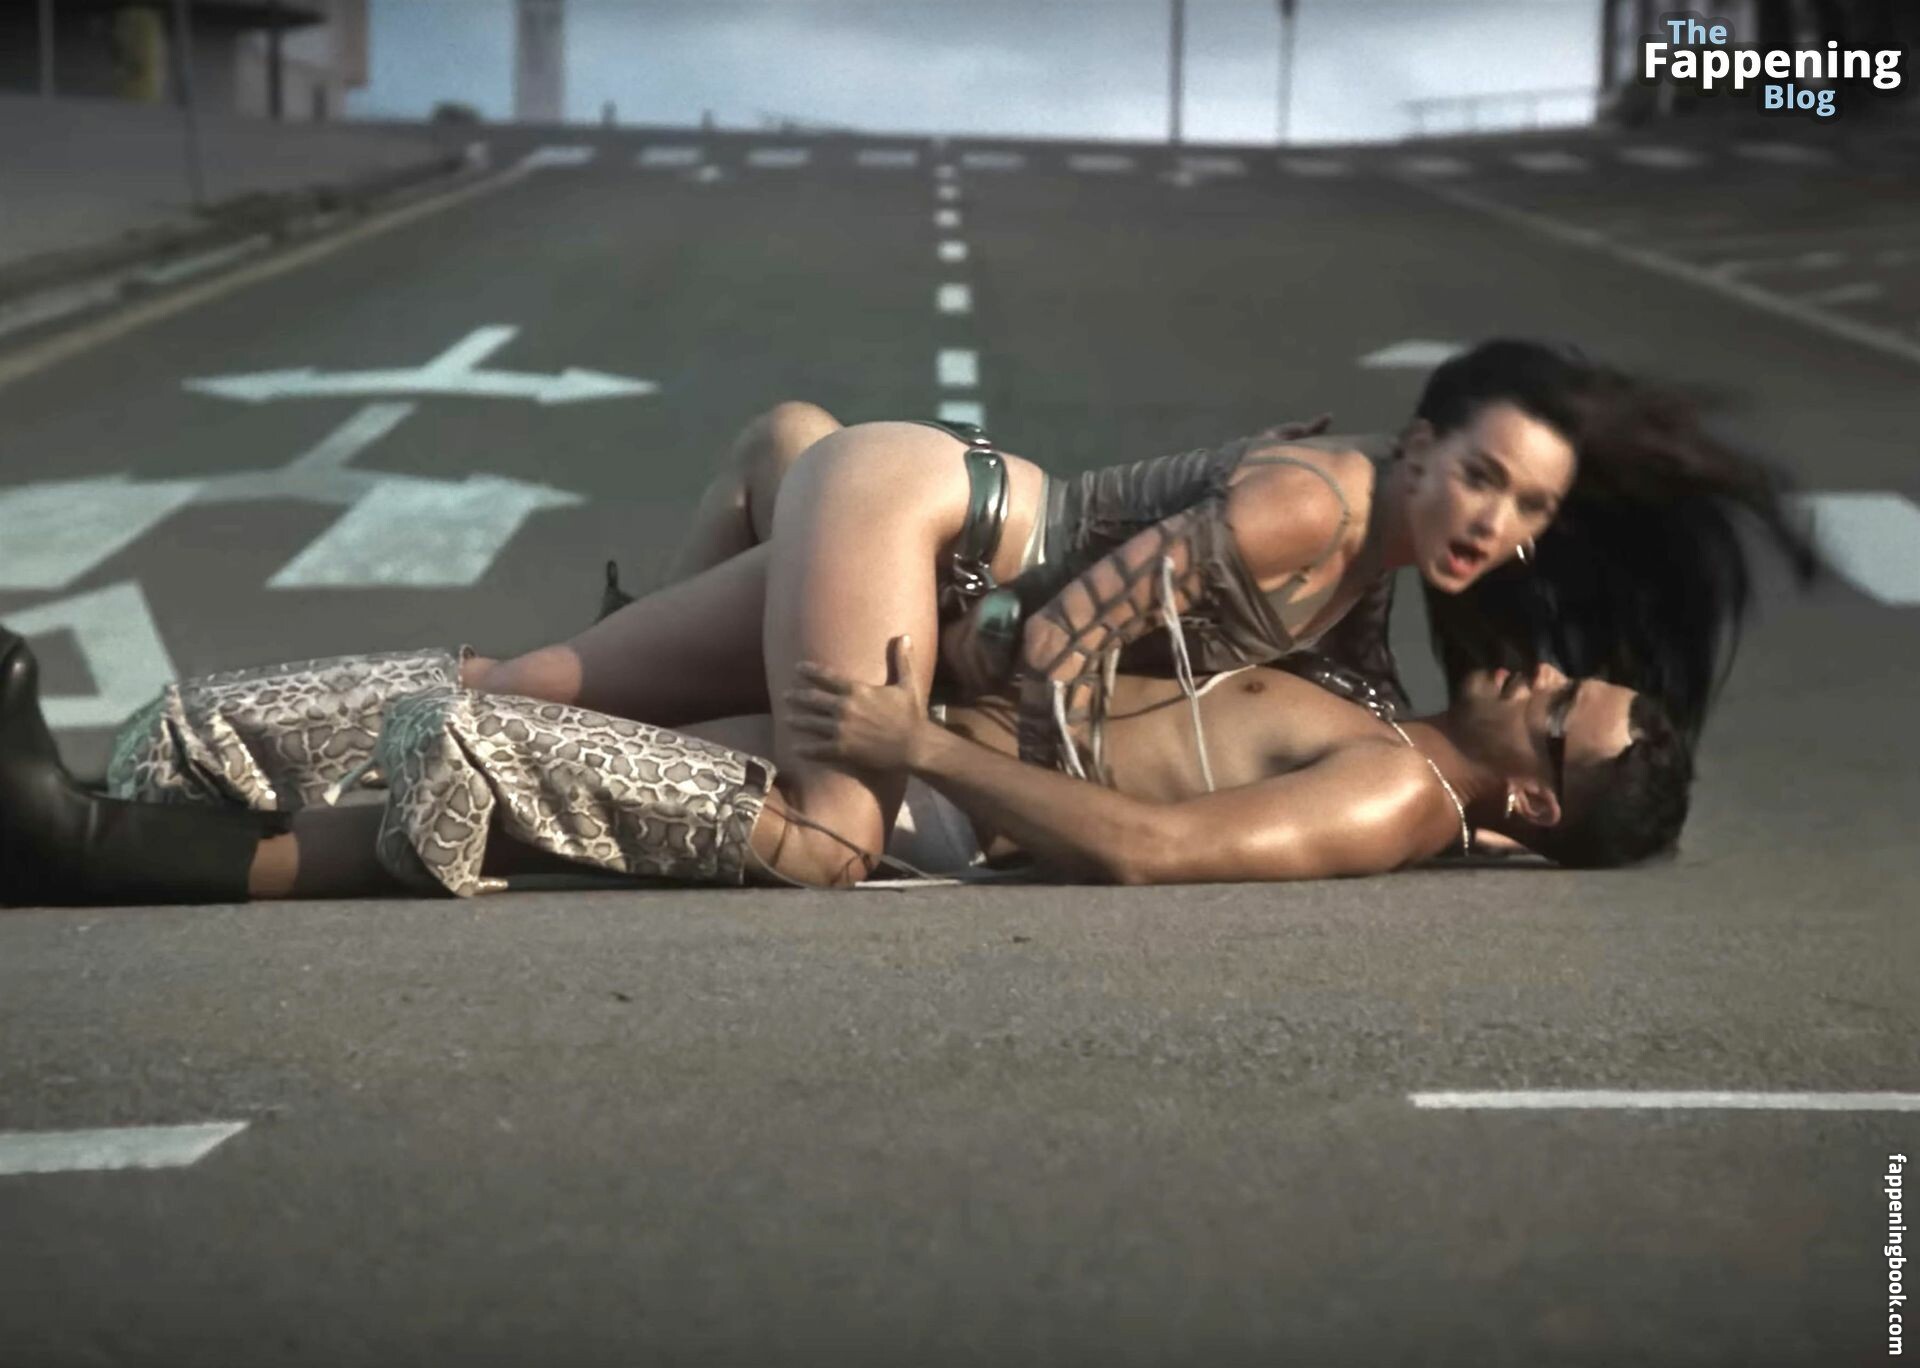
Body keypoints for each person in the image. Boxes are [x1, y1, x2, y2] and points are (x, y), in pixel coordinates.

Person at [77, 339, 1810, 891]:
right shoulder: (1318, 514)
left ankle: (168, 754)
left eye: (1531, 512)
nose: (1505, 542)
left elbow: (1309, 713)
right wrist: (946, 733)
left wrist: (1491, 823)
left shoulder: (1375, 612)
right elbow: (1062, 644)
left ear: (1533, 794)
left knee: (543, 670)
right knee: (827, 834)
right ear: (1420, 445)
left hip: (895, 509)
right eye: (1485, 480)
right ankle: (447, 758)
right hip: (932, 547)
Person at [0, 625, 1686, 905]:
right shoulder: (1387, 713)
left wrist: (915, 742)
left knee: (463, 751)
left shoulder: (1396, 792)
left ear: (1534, 798)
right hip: (910, 745)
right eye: (1568, 676)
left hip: (901, 814)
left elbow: (1150, 851)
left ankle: (75, 849)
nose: (1541, 678)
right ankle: (127, 785)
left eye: (1561, 715)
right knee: (398, 705)